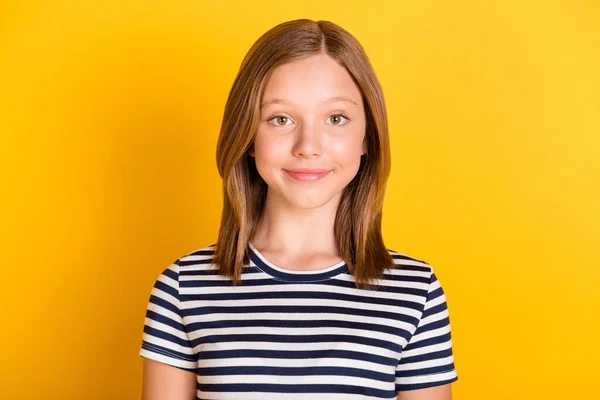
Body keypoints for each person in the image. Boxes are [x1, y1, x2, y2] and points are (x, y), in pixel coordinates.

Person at [139, 18, 458, 400]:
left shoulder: (415, 292)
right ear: (249, 137)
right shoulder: (182, 288)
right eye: (281, 119)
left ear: (367, 138)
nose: (308, 145)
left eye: (336, 118)